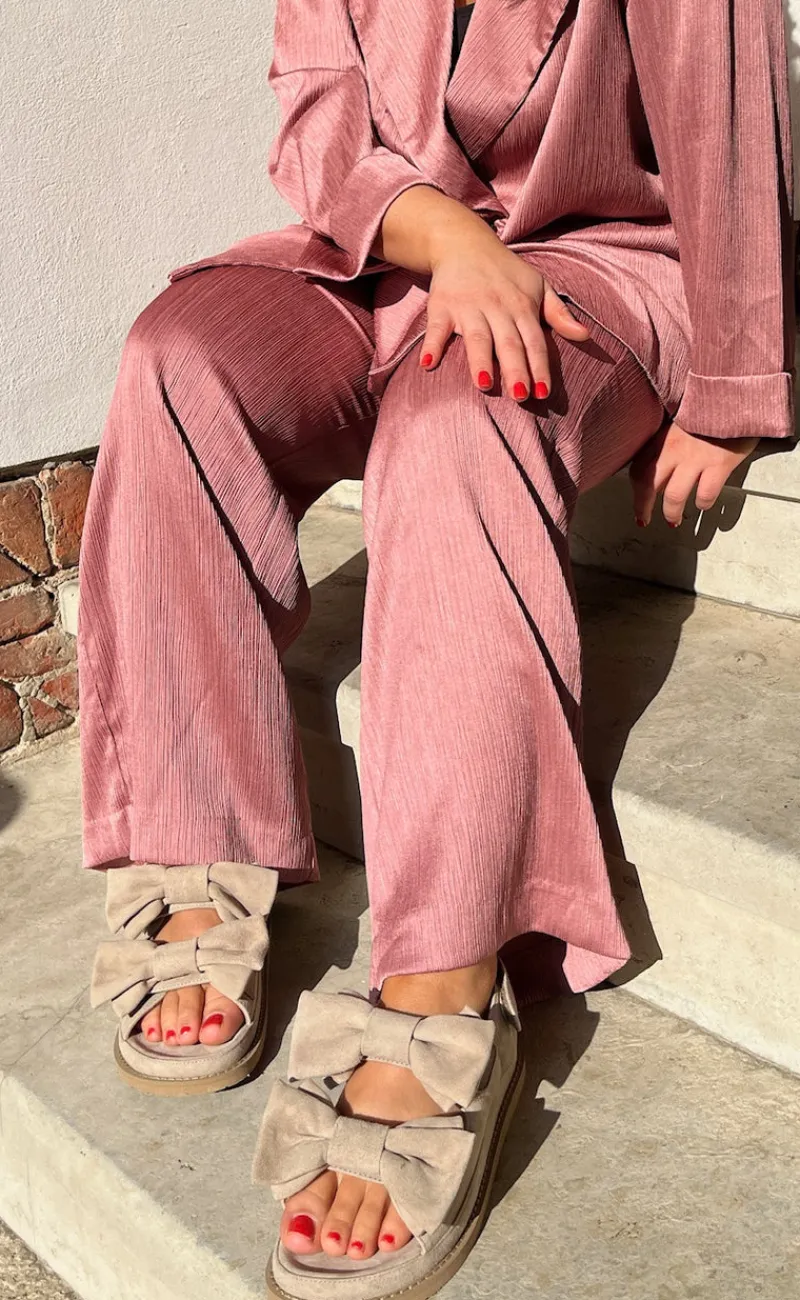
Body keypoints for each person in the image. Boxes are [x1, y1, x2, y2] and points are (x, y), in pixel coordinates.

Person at [79, 1, 796, 1296]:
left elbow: (732, 117)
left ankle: (443, 978)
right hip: (385, 254)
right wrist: (448, 238)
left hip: (602, 263)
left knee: (466, 414)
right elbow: (320, 115)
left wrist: (739, 386)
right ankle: (200, 834)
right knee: (179, 358)